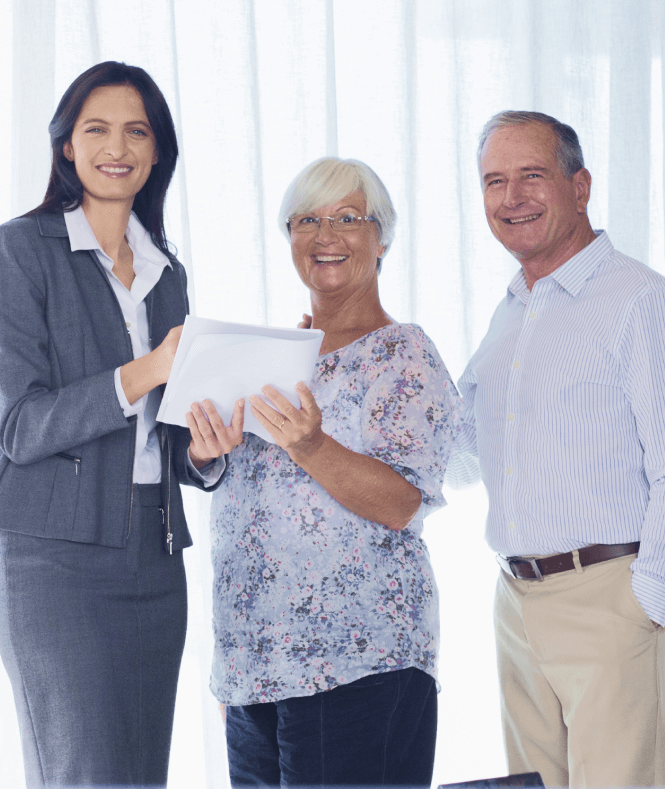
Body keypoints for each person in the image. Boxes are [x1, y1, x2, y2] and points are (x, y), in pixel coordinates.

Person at [0, 61, 242, 788]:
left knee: (141, 777)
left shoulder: (167, 274)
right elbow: (22, 427)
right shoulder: (17, 252)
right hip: (53, 561)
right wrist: (146, 370)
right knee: (83, 775)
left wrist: (209, 455)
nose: (116, 145)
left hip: (154, 558)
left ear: (157, 153)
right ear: (66, 145)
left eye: (136, 131)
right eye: (97, 128)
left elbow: (172, 439)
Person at [454, 110, 665, 788]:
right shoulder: (512, 312)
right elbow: (467, 454)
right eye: (494, 182)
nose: (511, 198)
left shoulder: (643, 301)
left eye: (532, 176)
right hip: (516, 602)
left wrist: (645, 602)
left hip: (610, 600)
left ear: (580, 185)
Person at [202, 157, 459, 788]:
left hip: (355, 660)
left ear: (382, 238)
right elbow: (235, 481)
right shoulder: (268, 358)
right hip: (253, 663)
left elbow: (402, 500)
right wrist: (206, 453)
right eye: (307, 220)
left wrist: (313, 445)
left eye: (348, 218)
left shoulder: (405, 355)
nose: (327, 236)